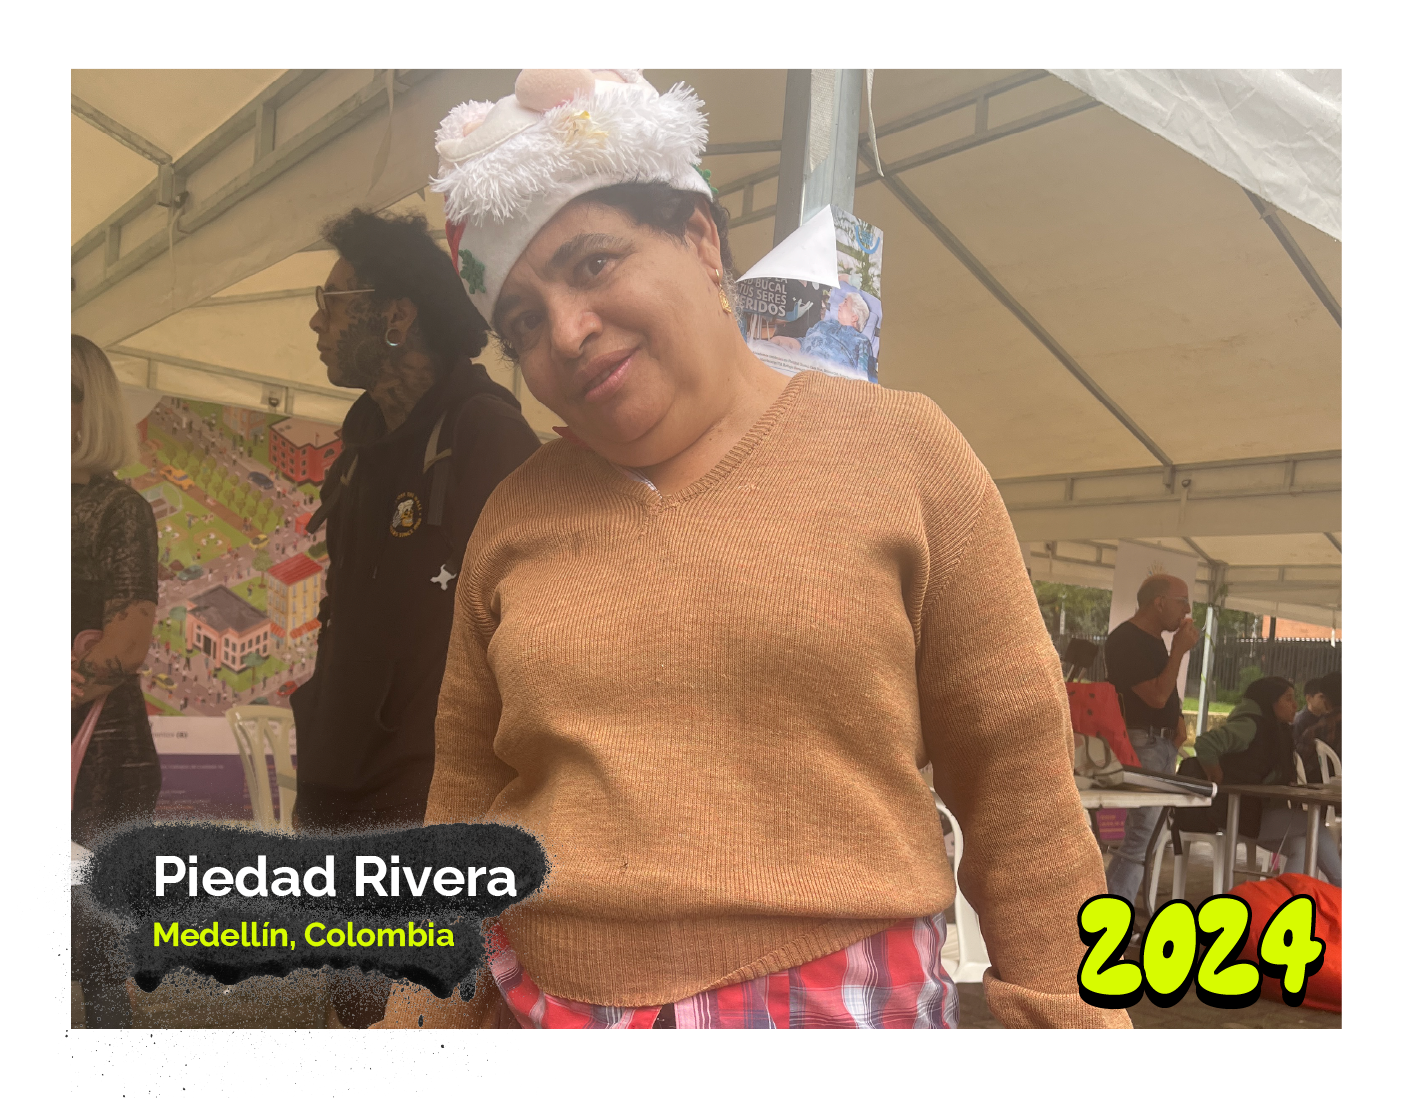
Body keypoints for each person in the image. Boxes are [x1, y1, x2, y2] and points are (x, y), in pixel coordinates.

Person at [380, 70, 1128, 1030]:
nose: (565, 332)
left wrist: (1071, 1035)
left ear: (700, 239)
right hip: (550, 1022)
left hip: (841, 1020)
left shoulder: (905, 451)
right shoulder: (514, 517)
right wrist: (414, 1024)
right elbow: (465, 805)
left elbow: (1017, 781)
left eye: (595, 264)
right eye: (521, 322)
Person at [290, 207, 540, 1027]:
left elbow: (534, 628)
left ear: (394, 317)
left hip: (431, 791)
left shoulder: (487, 436)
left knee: (417, 1017)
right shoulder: (363, 446)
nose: (317, 322)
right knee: (350, 997)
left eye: (333, 301)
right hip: (340, 777)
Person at [70, 335, 161, 1028]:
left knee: (93, 952)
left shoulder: (115, 509)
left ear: (90, 409)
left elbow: (125, 645)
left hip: (98, 761)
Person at [1182, 676, 1343, 887]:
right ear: (1271, 701)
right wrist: (1216, 776)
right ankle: (1343, 891)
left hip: (1255, 812)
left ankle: (1282, 905)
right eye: (1288, 699)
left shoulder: (1277, 728)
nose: (1295, 705)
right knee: (1315, 827)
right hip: (1236, 812)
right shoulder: (1250, 724)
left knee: (1300, 846)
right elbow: (1205, 744)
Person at [1102, 573, 1199, 905]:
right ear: (1159, 602)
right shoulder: (1126, 640)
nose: (1187, 610)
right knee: (1142, 836)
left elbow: (1164, 694)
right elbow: (1156, 696)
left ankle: (1112, 913)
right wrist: (1179, 653)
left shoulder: (1155, 639)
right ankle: (1112, 917)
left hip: (1159, 743)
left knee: (1146, 836)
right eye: (1182, 601)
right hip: (1142, 742)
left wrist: (1178, 718)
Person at [800, 288, 874, 378]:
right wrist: (785, 341)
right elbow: (804, 340)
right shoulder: (824, 324)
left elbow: (864, 377)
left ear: (854, 317)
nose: (839, 305)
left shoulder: (861, 341)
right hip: (800, 366)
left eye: (845, 303)